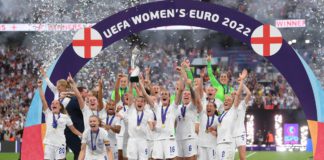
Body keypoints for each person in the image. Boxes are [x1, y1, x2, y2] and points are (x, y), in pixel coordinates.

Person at [139, 74, 181, 160]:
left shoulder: (173, 107)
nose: (164, 95)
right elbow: (146, 95)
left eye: (166, 94)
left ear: (169, 98)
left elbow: (179, 93)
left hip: (169, 138)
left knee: (172, 159)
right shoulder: (157, 108)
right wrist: (140, 84)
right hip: (158, 139)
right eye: (162, 94)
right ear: (160, 97)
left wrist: (182, 77)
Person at [38, 80, 82, 160]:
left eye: (56, 103)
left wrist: (83, 135)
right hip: (49, 144)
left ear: (60, 106)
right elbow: (43, 100)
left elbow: (73, 130)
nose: (54, 104)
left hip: (60, 144)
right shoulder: (48, 114)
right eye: (52, 103)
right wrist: (40, 87)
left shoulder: (65, 117)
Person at [216, 69, 247, 160]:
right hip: (219, 143)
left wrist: (241, 81)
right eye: (225, 101)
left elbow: (237, 96)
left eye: (229, 101)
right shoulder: (221, 114)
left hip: (228, 143)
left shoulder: (232, 110)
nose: (226, 102)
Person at [118, 82, 155, 160]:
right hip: (132, 140)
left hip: (143, 140)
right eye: (138, 101)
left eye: (142, 101)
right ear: (134, 102)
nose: (140, 103)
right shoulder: (131, 110)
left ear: (145, 103)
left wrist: (153, 126)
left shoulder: (148, 112)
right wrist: (131, 85)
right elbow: (130, 95)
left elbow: (151, 126)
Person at [175, 67, 202, 160]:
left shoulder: (192, 106)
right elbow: (180, 90)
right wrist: (182, 75)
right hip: (178, 137)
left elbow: (194, 97)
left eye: (188, 94)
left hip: (190, 137)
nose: (186, 95)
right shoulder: (177, 108)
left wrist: (190, 86)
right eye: (184, 94)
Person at [233, 79, 252, 160]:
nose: (236, 95)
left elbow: (249, 94)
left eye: (237, 94)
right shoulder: (228, 107)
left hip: (240, 133)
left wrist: (242, 83)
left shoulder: (242, 105)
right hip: (231, 135)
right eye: (234, 94)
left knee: (242, 157)